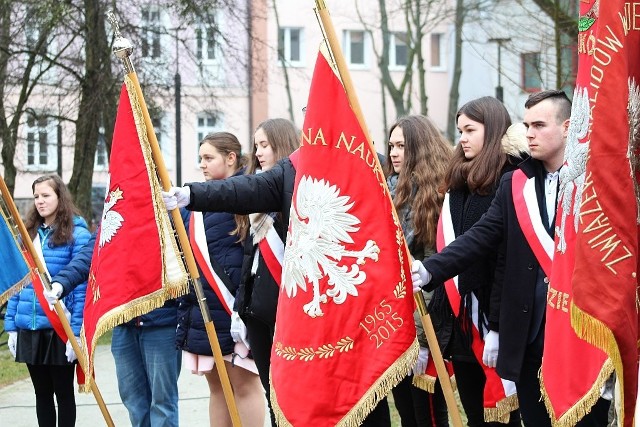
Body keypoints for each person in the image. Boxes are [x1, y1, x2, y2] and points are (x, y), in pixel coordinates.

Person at [163, 117, 393, 426]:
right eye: (256, 145)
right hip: (262, 316)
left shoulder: (340, 169)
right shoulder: (280, 176)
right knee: (280, 403)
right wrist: (193, 194)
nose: (257, 153)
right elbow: (250, 256)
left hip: (315, 312)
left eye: (264, 145)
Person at [411, 90, 611, 426]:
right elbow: (480, 237)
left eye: (539, 125)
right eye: (527, 124)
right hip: (530, 336)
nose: (530, 133)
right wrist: (430, 269)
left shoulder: (595, 181)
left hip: (580, 332)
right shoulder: (515, 182)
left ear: (566, 127)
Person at [428, 96, 525, 426]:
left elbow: (504, 259)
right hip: (460, 320)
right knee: (473, 415)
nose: (463, 138)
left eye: (470, 130)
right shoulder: (457, 182)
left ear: (494, 128)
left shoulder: (510, 179)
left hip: (492, 319)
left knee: (501, 416)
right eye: (459, 131)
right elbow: (451, 250)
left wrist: (496, 325)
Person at [176, 131, 265, 426]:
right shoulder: (196, 201)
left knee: (244, 386)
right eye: (200, 158)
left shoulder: (250, 191)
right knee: (217, 388)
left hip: (235, 308)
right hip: (206, 309)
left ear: (230, 159)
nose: (202, 164)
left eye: (208, 157)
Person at [45, 237, 181, 424]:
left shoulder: (171, 210)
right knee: (133, 401)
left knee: (163, 403)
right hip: (124, 323)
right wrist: (62, 282)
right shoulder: (117, 209)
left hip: (162, 323)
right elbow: (91, 253)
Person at [5, 174, 91, 427]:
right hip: (29, 326)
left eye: (46, 195)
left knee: (63, 393)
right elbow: (18, 282)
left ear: (59, 197)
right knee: (41, 394)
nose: (40, 201)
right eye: (36, 197)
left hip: (58, 326)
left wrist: (75, 332)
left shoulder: (78, 233)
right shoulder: (27, 232)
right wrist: (11, 325)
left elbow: (81, 286)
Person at [385, 115, 451, 427]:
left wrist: (422, 341)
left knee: (428, 416)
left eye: (402, 146)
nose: (394, 153)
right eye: (391, 145)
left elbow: (435, 275)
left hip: (425, 323)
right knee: (407, 412)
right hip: (391, 322)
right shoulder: (388, 191)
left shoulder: (436, 195)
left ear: (420, 150)